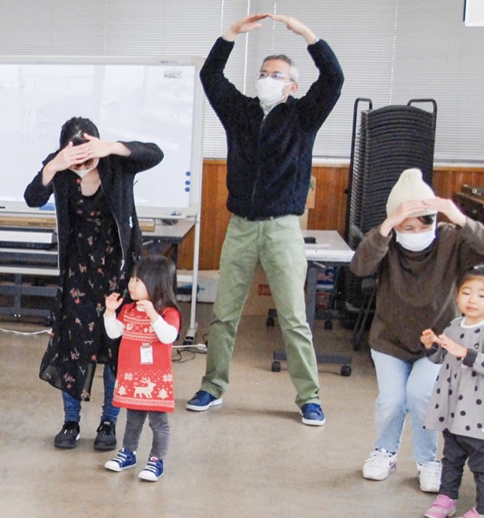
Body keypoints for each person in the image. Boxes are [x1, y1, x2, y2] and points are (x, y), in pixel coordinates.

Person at [187, 13, 344, 426]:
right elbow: (210, 76)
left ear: (292, 86)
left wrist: (308, 34)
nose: (267, 79)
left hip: (282, 227)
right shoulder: (239, 112)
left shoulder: (303, 116)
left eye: (276, 74)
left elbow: (333, 79)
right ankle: (212, 386)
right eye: (262, 73)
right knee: (224, 314)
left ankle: (309, 397)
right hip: (241, 225)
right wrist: (230, 35)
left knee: (293, 317)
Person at [351, 168, 484, 492]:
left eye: (423, 225)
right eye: (406, 226)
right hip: (390, 340)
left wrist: (460, 218)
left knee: (422, 395)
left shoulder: (451, 239)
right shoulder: (385, 242)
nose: (415, 232)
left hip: (438, 342)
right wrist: (386, 226)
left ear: (434, 221)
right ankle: (385, 452)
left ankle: (428, 460)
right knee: (392, 401)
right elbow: (360, 266)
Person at [25, 117, 164, 450]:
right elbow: (32, 196)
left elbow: (155, 153)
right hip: (78, 274)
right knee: (73, 347)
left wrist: (111, 147)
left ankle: (108, 422)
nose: (81, 164)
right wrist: (53, 165)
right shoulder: (60, 168)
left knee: (117, 348)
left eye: (86, 156)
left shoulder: (116, 163)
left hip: (118, 272)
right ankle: (70, 422)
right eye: (74, 157)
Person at [420, 265, 484, 518]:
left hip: (480, 412)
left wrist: (466, 353)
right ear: (457, 295)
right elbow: (440, 358)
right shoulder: (455, 325)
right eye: (466, 292)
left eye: (482, 295)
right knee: (451, 457)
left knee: (482, 463)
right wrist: (431, 346)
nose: (472, 300)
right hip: (453, 407)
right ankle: (447, 498)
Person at [102, 255, 181, 482]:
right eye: (132, 279)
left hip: (156, 381)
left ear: (156, 283)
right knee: (133, 419)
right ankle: (128, 453)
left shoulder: (168, 313)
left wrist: (153, 315)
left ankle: (157, 460)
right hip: (132, 377)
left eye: (138, 280)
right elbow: (113, 333)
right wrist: (109, 312)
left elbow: (168, 336)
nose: (131, 284)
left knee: (159, 423)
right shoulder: (128, 309)